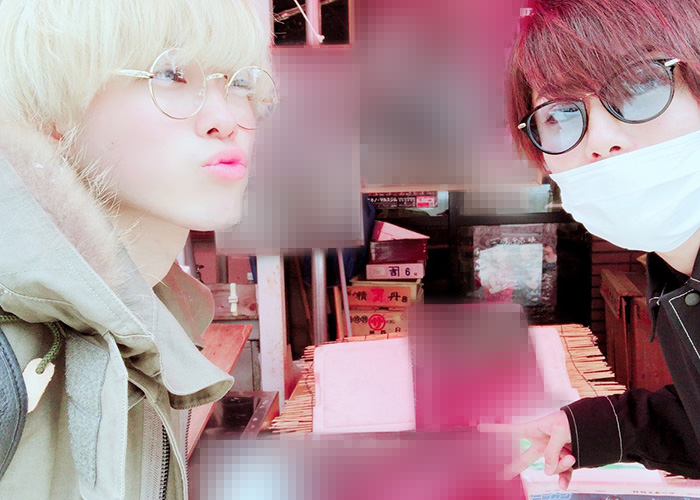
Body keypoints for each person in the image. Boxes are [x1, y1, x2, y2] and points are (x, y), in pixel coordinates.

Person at [0, 0, 275, 498]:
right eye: (171, 74)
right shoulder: (12, 355)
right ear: (51, 112)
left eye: (237, 82)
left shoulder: (152, 315)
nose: (226, 119)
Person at [505, 0, 700, 491]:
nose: (602, 139)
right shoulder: (675, 271)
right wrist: (586, 428)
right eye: (562, 113)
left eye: (640, 86)